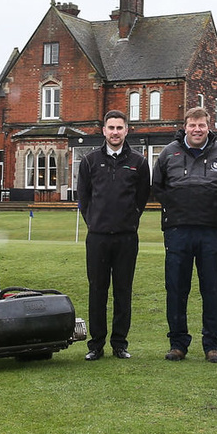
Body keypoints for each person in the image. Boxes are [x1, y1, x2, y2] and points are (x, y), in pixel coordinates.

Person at [152, 106, 217, 363]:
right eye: (192, 125)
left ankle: (212, 345)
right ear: (185, 126)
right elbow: (157, 186)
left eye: (201, 125)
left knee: (211, 288)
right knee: (176, 289)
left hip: (211, 232)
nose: (197, 129)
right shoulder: (168, 153)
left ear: (208, 127)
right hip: (177, 232)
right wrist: (176, 207)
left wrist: (215, 208)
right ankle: (178, 343)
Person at [77, 110, 151, 361]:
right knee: (97, 290)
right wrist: (95, 222)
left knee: (123, 290)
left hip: (126, 238)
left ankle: (119, 343)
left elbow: (141, 198)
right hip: (97, 238)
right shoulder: (89, 161)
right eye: (111, 128)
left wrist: (129, 220)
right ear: (104, 130)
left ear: (127, 130)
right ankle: (96, 344)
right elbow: (84, 199)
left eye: (120, 128)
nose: (115, 132)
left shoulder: (139, 162)